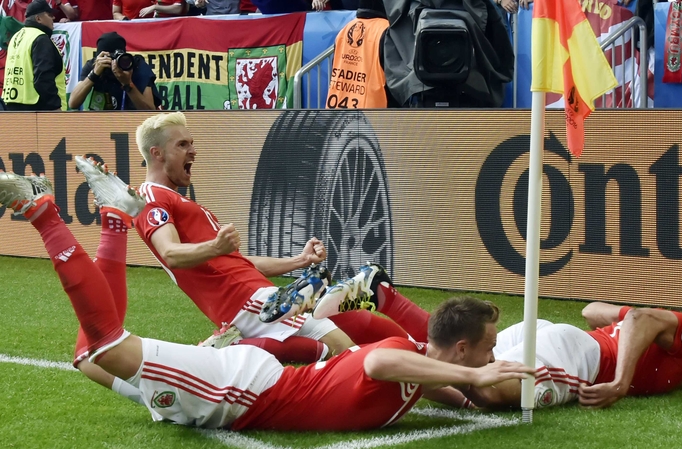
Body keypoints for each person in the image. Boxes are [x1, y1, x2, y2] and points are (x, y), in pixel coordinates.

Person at [0, 174, 536, 430]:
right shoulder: (398, 352)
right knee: (109, 347)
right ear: (460, 350)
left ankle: (114, 223)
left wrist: (471, 397)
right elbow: (380, 364)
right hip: (245, 389)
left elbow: (424, 378)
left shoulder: (418, 371)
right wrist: (475, 378)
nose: (493, 358)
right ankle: (45, 214)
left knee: (90, 357)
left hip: (247, 370)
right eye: (489, 350)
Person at [313, 263, 682, 410]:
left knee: (450, 355)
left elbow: (593, 311)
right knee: (489, 395)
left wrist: (624, 331)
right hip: (579, 360)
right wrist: (620, 382)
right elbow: (640, 319)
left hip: (566, 339)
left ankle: (379, 300)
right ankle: (359, 347)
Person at [131, 111, 357, 365]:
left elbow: (237, 262)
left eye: (192, 143)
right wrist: (216, 246)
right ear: (157, 153)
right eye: (182, 145)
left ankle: (234, 347)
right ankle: (230, 348)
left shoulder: (176, 200)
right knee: (345, 352)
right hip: (246, 299)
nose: (193, 151)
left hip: (256, 296)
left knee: (338, 349)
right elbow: (170, 253)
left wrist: (300, 260)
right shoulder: (152, 197)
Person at [326, 0, 393, 109]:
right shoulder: (387, 30)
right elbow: (395, 76)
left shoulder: (345, 29)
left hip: (338, 109)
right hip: (374, 111)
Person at [68, 32, 159, 111]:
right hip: (102, 120)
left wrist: (127, 84)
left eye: (116, 58)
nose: (112, 63)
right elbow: (73, 103)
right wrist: (94, 74)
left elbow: (149, 110)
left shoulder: (134, 65)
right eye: (107, 59)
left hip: (132, 120)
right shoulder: (94, 65)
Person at [1, 0, 65, 111]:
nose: (53, 18)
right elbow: (43, 77)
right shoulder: (40, 38)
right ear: (38, 18)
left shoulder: (16, 37)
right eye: (49, 15)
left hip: (12, 106)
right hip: (38, 109)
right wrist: (55, 106)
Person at [112, 0, 186, 20]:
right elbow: (115, 12)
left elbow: (178, 9)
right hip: (130, 28)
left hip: (151, 27)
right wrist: (123, 18)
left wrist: (155, 7)